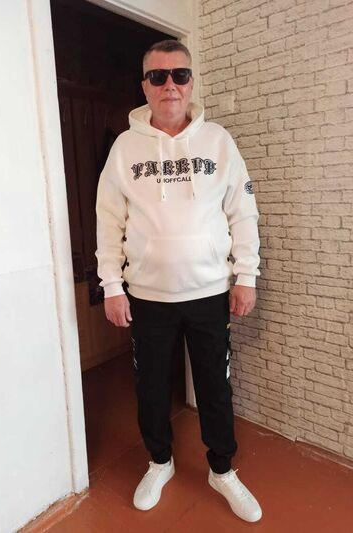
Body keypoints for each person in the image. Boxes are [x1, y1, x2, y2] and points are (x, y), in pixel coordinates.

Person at [95, 39, 262, 523]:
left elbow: (243, 212)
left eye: (180, 75)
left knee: (215, 386)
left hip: (210, 292)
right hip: (147, 297)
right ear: (145, 85)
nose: (170, 85)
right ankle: (160, 462)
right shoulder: (125, 149)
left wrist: (246, 276)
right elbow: (108, 221)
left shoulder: (218, 142)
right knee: (150, 386)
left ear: (191, 82)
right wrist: (111, 286)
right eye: (158, 76)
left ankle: (222, 469)